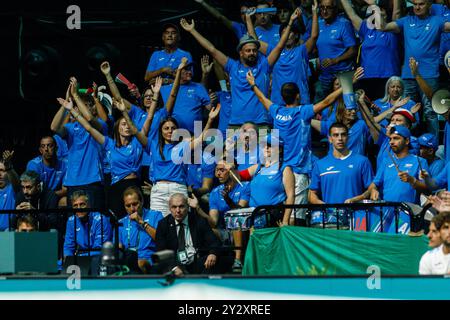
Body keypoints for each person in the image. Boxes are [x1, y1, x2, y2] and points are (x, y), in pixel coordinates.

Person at [247, 68, 361, 224]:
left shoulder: (276, 111)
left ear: (283, 97)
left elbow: (263, 99)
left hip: (280, 170)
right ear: (298, 95)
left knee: (283, 214)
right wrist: (347, 85)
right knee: (295, 217)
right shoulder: (302, 111)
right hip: (297, 171)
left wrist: (253, 86)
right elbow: (327, 101)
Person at [180, 11, 296, 130]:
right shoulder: (232, 66)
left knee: (265, 149)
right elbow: (212, 49)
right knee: (234, 149)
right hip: (236, 124)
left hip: (261, 123)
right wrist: (192, 31)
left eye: (254, 50)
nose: (252, 53)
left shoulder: (264, 66)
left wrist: (291, 22)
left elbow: (279, 47)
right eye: (248, 50)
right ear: (241, 53)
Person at [59, 91, 147, 218]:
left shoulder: (104, 125)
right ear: (118, 128)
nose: (126, 127)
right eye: (123, 124)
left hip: (105, 182)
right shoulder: (109, 143)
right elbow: (87, 128)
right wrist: (71, 110)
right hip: (111, 186)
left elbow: (89, 121)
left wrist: (75, 99)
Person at [379, 0, 450, 137]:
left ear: (429, 5)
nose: (417, 7)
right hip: (408, 75)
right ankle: (407, 143)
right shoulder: (406, 21)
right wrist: (373, 7)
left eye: (421, 4)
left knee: (430, 111)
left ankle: (432, 145)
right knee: (407, 111)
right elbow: (383, 27)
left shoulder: (437, 21)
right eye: (415, 4)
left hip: (429, 75)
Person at [137, 104, 221, 216]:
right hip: (158, 191)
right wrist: (124, 112)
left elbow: (200, 139)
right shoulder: (154, 145)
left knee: (181, 227)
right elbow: (138, 134)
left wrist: (210, 120)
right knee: (157, 225)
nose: (170, 131)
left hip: (178, 189)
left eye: (173, 128)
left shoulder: (183, 146)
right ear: (161, 131)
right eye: (166, 128)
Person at [246, 0, 319, 105]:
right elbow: (254, 41)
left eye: (290, 33)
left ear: (296, 36)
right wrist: (248, 19)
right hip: (278, 102)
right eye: (284, 33)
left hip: (300, 101)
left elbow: (314, 36)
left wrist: (315, 12)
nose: (287, 35)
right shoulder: (274, 51)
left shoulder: (302, 51)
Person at [51, 78, 108, 209]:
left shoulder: (100, 125)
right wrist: (65, 105)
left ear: (92, 109)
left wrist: (76, 95)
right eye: (77, 106)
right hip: (73, 181)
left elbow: (88, 118)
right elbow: (54, 127)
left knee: (95, 221)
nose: (78, 108)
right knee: (75, 222)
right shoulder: (71, 128)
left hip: (93, 181)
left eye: (84, 105)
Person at [155, 193, 232, 275]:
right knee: (157, 268)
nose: (178, 211)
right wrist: (174, 267)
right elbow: (161, 250)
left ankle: (203, 286)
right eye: (174, 207)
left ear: (188, 207)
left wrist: (213, 253)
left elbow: (214, 242)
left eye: (181, 206)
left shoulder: (199, 221)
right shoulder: (163, 224)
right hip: (176, 264)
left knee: (216, 261)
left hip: (197, 262)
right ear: (170, 208)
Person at [340, 0, 401, 99]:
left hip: (388, 78)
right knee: (369, 111)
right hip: (366, 78)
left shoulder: (392, 30)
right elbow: (351, 14)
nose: (378, 15)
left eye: (381, 12)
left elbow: (397, 12)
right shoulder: (367, 29)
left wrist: (373, 4)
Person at [237, 134, 295, 227]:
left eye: (270, 145)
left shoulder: (284, 168)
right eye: (264, 145)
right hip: (255, 215)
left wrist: (285, 220)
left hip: (274, 217)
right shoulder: (258, 167)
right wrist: (230, 168)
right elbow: (239, 176)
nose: (266, 148)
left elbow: (291, 196)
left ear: (279, 149)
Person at [309, 123, 373, 204]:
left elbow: (372, 189)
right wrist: (323, 206)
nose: (340, 138)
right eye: (336, 135)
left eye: (343, 135)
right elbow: (311, 193)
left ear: (348, 137)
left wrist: (358, 198)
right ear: (330, 139)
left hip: (356, 214)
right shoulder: (320, 164)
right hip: (330, 215)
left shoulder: (362, 161)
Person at [206, 160, 251, 270]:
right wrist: (198, 209)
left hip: (244, 229)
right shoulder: (215, 192)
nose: (218, 174)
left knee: (235, 218)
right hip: (225, 232)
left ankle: (238, 260)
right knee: (207, 229)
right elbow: (213, 222)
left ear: (231, 172)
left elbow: (241, 211)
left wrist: (228, 200)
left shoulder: (244, 186)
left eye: (222, 170)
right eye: (217, 170)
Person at [314, 0, 357, 102]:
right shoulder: (318, 24)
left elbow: (353, 50)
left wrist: (335, 60)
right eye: (322, 8)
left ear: (335, 9)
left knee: (344, 109)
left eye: (328, 8)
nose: (324, 11)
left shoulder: (344, 24)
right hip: (324, 77)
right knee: (320, 112)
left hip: (341, 78)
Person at [118, 186, 163, 274]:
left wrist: (141, 222)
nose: (132, 208)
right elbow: (119, 247)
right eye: (128, 206)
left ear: (142, 202)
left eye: (135, 204)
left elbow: (160, 239)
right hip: (128, 259)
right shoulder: (121, 223)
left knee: (140, 263)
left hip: (148, 259)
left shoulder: (155, 216)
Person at [159, 61, 211, 134]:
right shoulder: (163, 89)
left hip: (196, 134)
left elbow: (210, 108)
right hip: (173, 134)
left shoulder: (199, 87)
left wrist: (213, 103)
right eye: (186, 69)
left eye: (190, 69)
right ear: (175, 72)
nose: (190, 72)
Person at [63, 190, 112, 257]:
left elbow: (99, 249)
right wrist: (68, 259)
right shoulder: (71, 221)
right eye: (75, 206)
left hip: (97, 258)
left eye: (82, 204)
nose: (79, 208)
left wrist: (77, 258)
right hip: (81, 258)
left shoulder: (101, 220)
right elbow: (68, 247)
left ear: (89, 205)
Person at [26, 136, 67, 205]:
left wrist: (49, 196)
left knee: (65, 201)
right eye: (43, 146)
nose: (46, 149)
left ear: (56, 148)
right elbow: (30, 190)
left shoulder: (64, 164)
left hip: (55, 197)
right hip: (37, 198)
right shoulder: (33, 165)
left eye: (50, 146)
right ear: (40, 150)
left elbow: (65, 190)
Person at [0, 150, 20, 231]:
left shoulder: (12, 188)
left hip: (8, 233)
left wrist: (8, 166)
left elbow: (17, 182)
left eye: (2, 170)